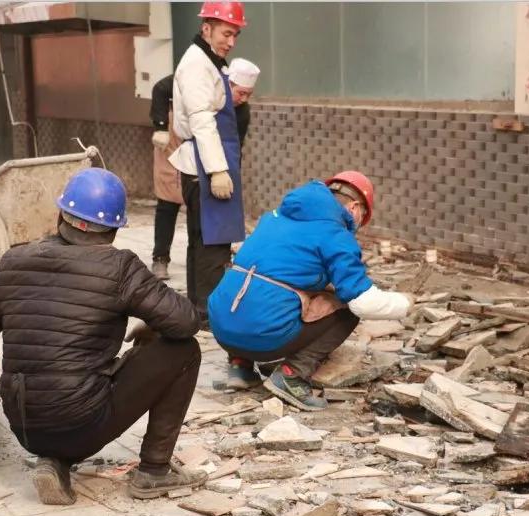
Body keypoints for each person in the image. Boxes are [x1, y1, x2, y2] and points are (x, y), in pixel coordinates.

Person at [0, 168, 208, 505]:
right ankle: (154, 471)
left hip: (25, 425)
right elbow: (186, 323)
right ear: (115, 229)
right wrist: (153, 326)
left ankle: (54, 462)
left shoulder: (15, 260)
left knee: (65, 399)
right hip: (82, 422)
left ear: (61, 215)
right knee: (185, 351)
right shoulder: (120, 268)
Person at [207, 171, 412, 411]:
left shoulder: (273, 218)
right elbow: (363, 301)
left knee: (257, 289)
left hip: (221, 329)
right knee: (348, 309)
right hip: (262, 337)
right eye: (362, 219)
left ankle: (240, 366)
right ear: (355, 207)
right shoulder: (335, 234)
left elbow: (282, 270)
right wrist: (405, 303)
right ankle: (291, 375)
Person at [169, 1, 249, 325]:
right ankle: (210, 315)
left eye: (235, 36)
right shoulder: (197, 65)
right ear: (207, 28)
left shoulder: (211, 62)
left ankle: (199, 312)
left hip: (208, 162)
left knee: (203, 243)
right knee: (212, 246)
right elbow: (202, 120)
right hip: (204, 166)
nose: (230, 42)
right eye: (226, 33)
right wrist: (217, 170)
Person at [149, 56, 260, 282]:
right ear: (228, 85)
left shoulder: (242, 111)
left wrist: (230, 181)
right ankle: (161, 257)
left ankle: (215, 257)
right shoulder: (200, 80)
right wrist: (161, 127)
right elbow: (160, 89)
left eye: (249, 94)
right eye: (241, 93)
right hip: (178, 139)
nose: (245, 99)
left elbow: (234, 149)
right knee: (169, 199)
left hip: (211, 155)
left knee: (206, 207)